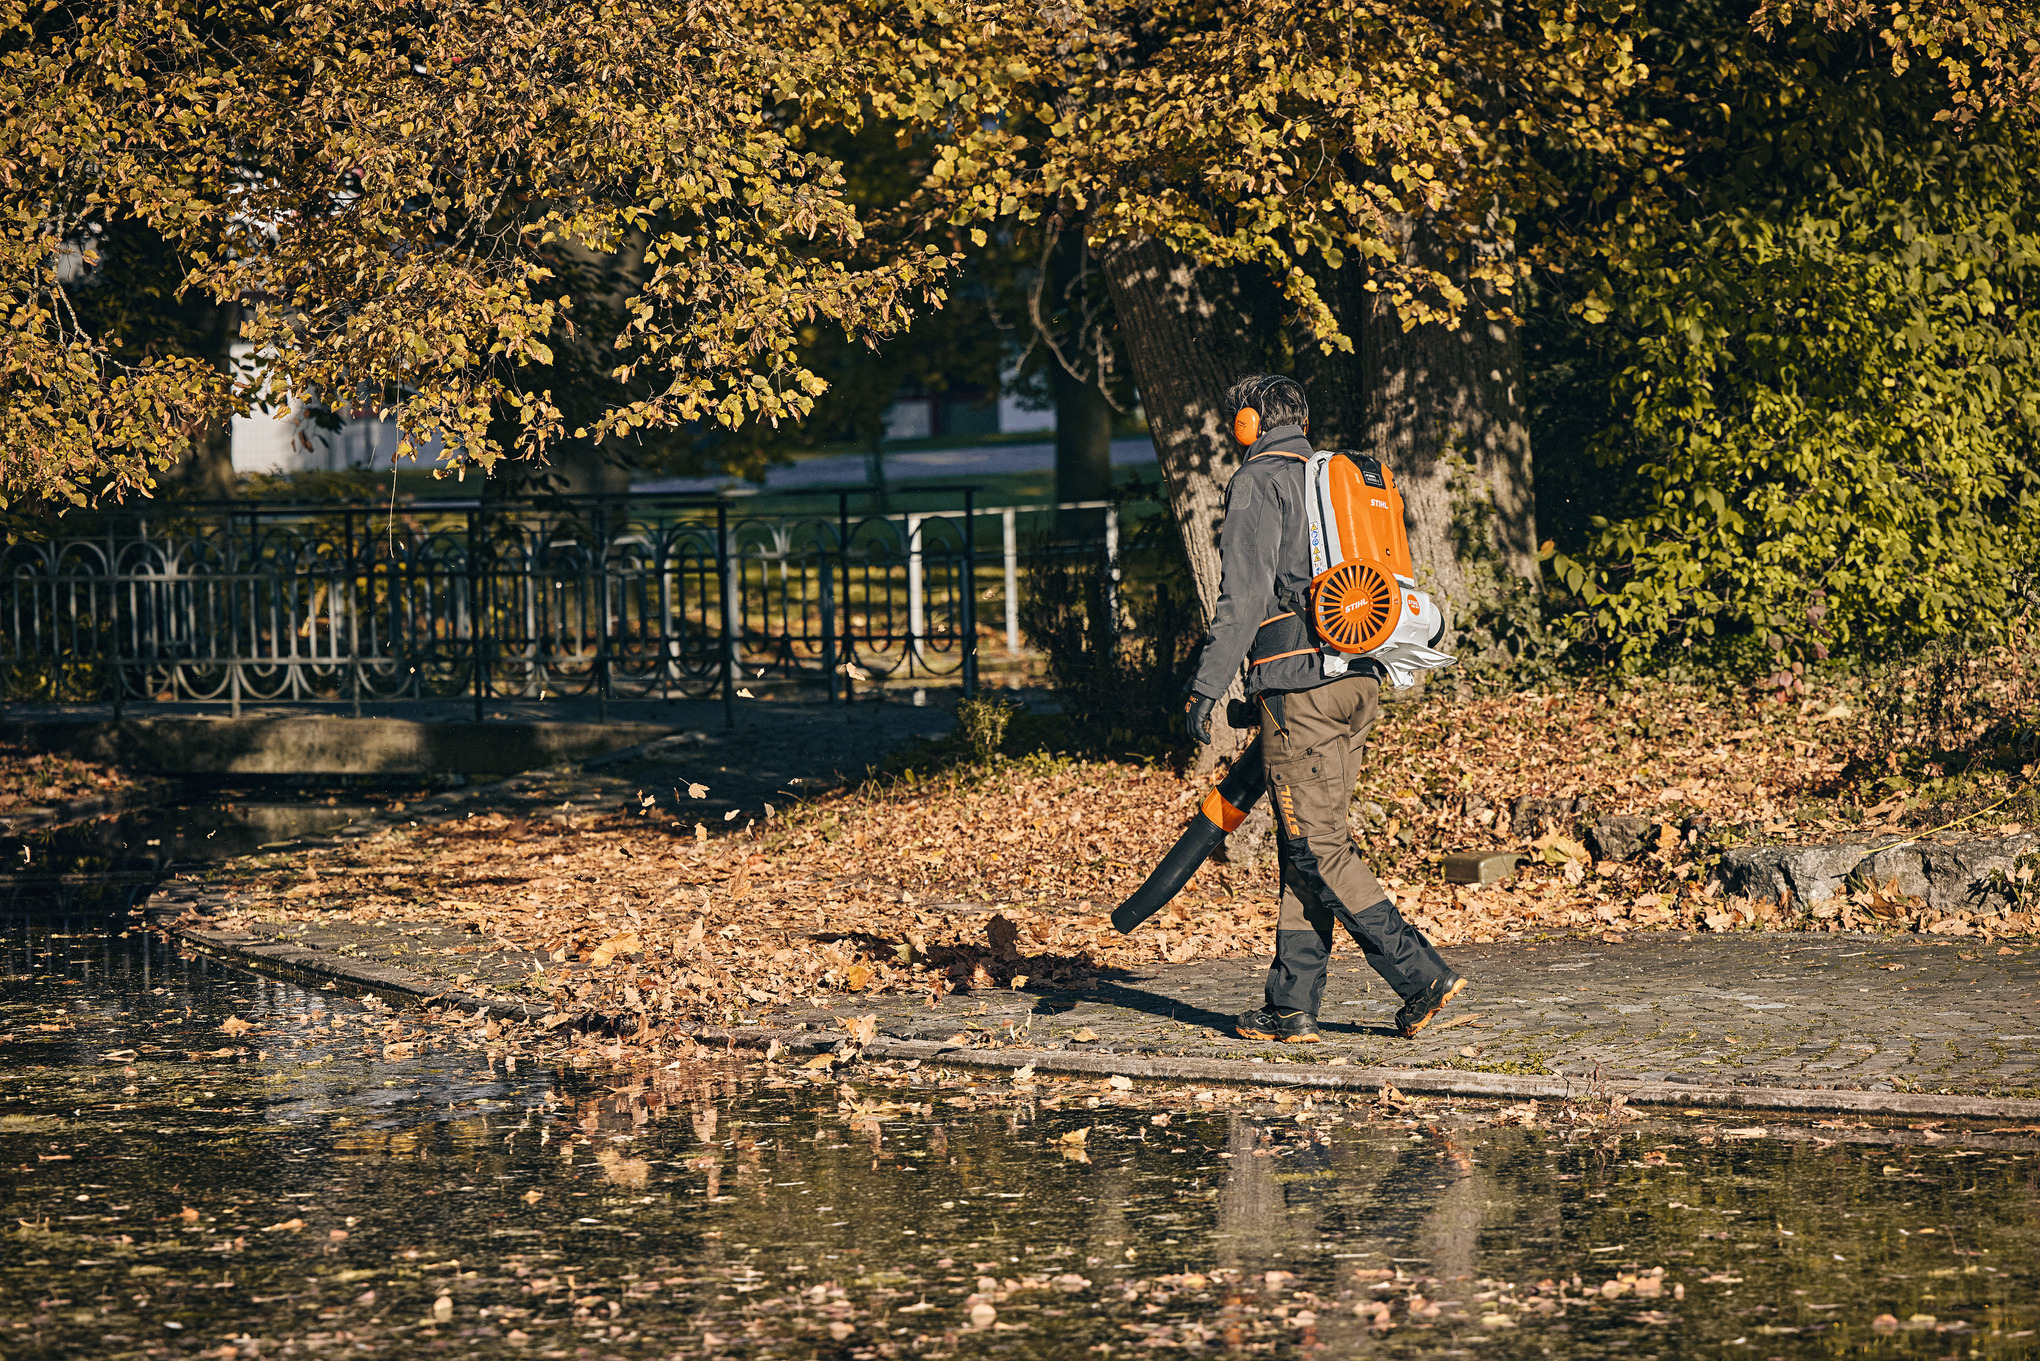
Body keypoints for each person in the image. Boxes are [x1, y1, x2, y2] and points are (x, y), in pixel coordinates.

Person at [1183, 375, 1465, 1043]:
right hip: (1360, 675)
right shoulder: (1329, 479)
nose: (1232, 432)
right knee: (1303, 845)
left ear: (1250, 423)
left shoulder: (1258, 480)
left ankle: (1420, 974)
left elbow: (1244, 597)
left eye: (1234, 420)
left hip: (1300, 687)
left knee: (1317, 844)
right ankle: (1290, 1005)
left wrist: (1207, 684)